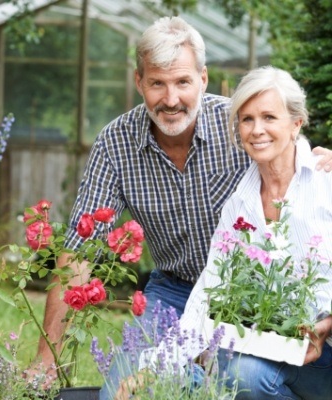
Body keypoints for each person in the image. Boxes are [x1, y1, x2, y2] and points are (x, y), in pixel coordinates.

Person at [28, 17, 332, 392]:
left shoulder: (239, 124)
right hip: (173, 290)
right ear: (139, 82)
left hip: (249, 296)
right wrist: (47, 357)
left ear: (203, 79)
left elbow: (295, 166)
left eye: (183, 82)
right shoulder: (116, 144)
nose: (171, 99)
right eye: (157, 83)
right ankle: (185, 374)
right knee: (122, 390)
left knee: (242, 379)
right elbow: (78, 251)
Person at [117, 66, 332, 399]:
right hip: (286, 352)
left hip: (326, 352)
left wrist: (325, 327)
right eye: (247, 119)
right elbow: (209, 291)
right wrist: (150, 371)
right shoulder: (240, 204)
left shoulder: (325, 184)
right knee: (236, 370)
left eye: (269, 118)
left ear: (296, 123)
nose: (257, 130)